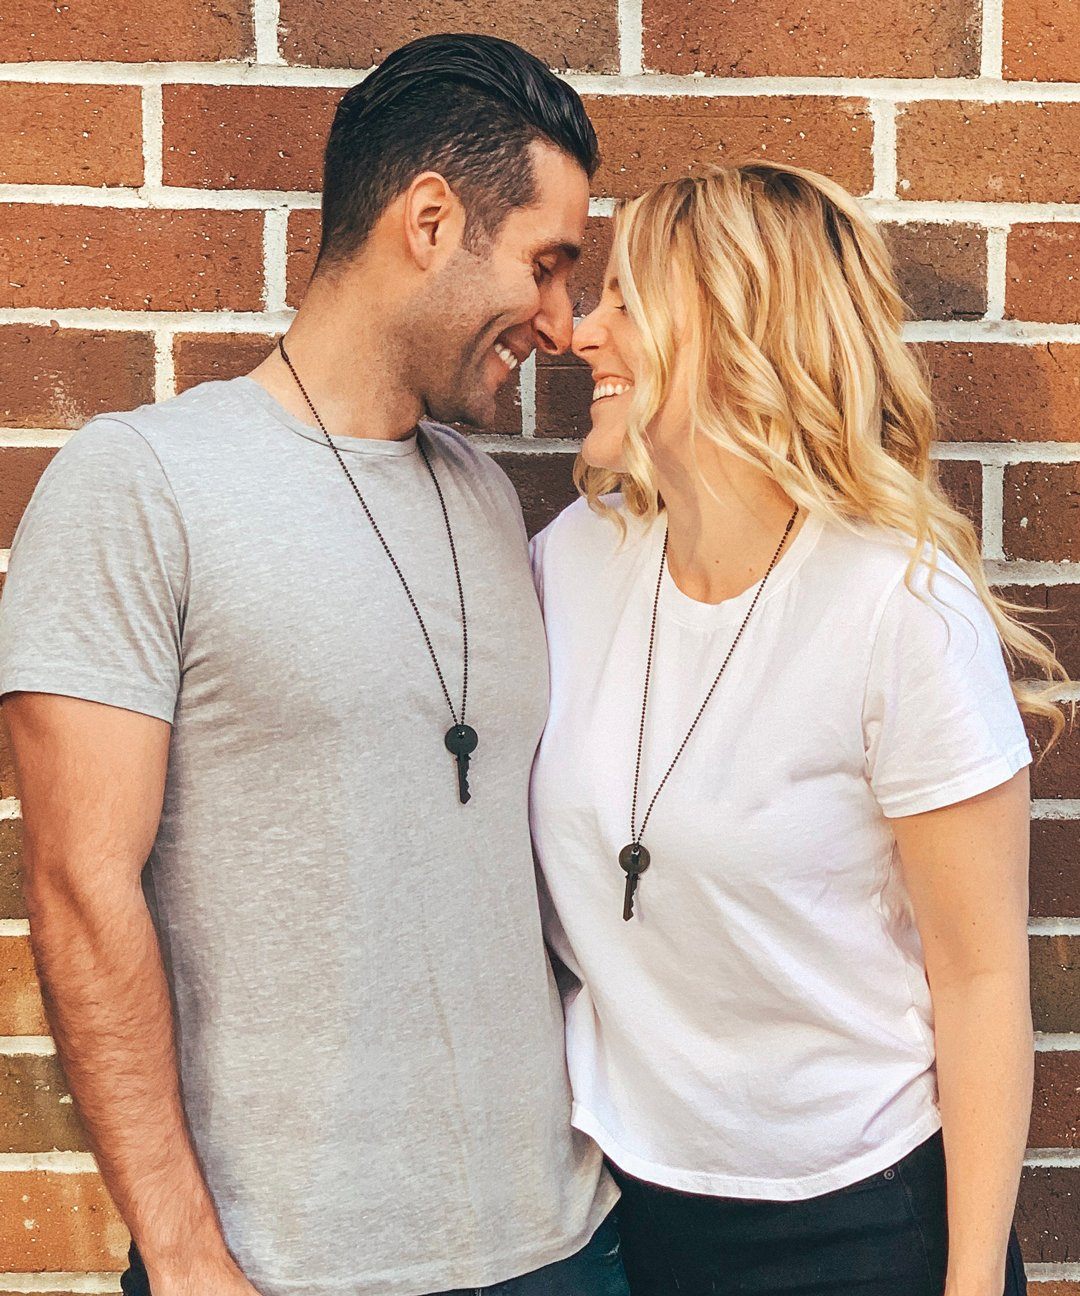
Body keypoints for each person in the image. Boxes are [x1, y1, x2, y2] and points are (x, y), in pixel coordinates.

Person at [0, 34, 626, 1296]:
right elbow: (79, 890)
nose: (561, 323)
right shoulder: (143, 484)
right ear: (430, 221)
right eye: (546, 264)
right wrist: (185, 1255)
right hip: (284, 1267)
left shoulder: (485, 497)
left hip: (559, 1245)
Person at [529, 163, 1068, 1296]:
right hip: (624, 1218)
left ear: (733, 333)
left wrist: (972, 1281)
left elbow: (980, 982)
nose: (582, 333)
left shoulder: (898, 609)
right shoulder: (572, 560)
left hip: (860, 1227)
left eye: (626, 300)